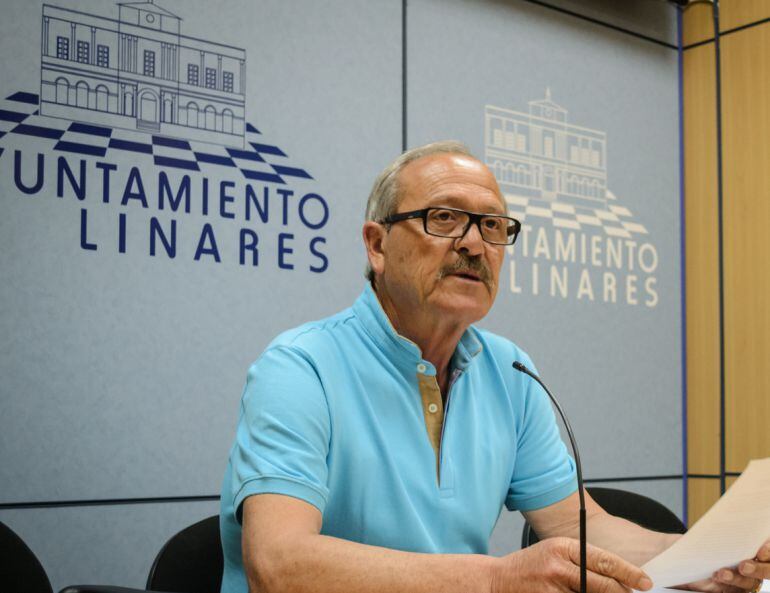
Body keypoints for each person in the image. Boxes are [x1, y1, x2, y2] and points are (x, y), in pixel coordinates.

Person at [219, 141, 770, 593]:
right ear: (377, 243)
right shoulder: (299, 367)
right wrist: (497, 579)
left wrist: (702, 557)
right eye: (445, 218)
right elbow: (279, 564)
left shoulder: (509, 369)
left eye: (492, 226)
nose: (475, 245)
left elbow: (584, 527)